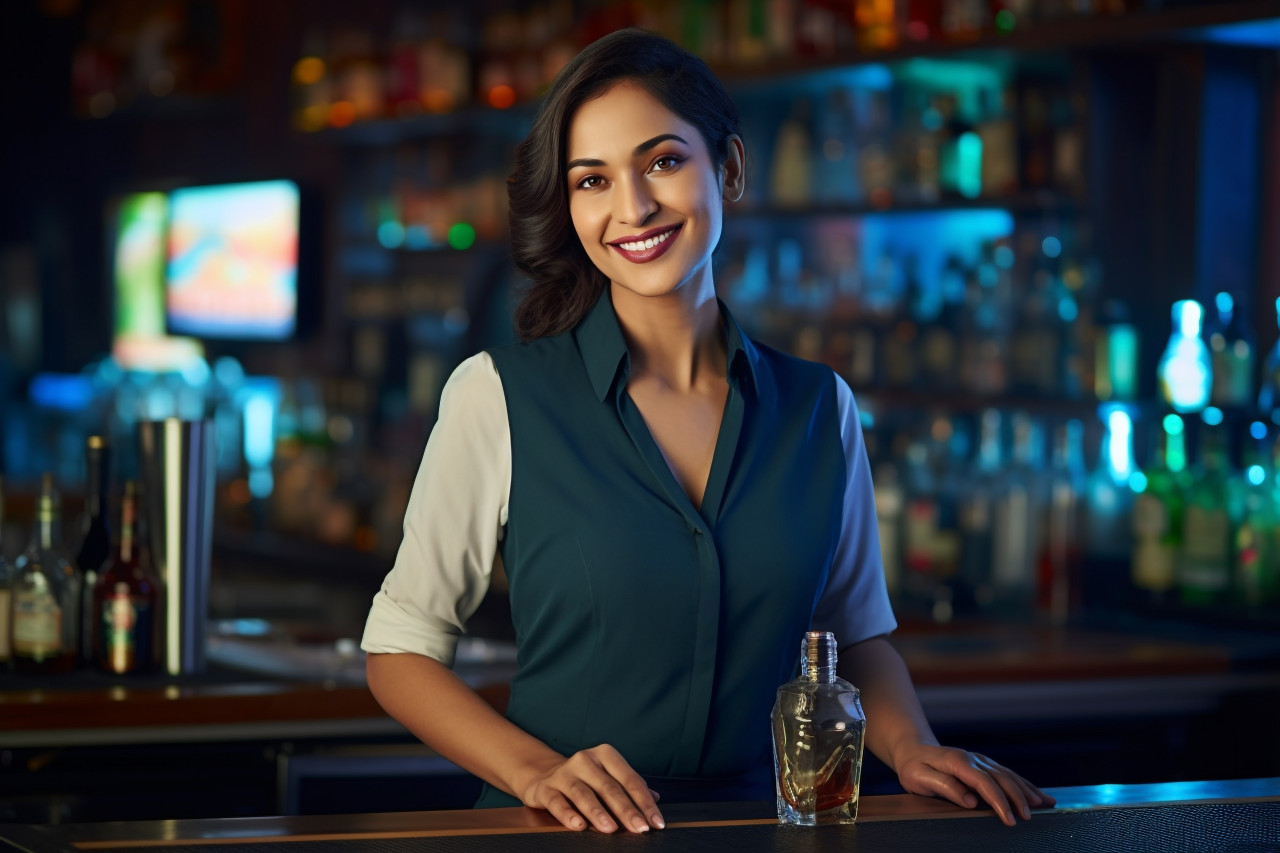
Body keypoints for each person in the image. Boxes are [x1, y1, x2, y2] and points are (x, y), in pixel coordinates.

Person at [361, 27, 1055, 835]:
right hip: (558, 832)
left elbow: (854, 637)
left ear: (729, 169)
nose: (633, 208)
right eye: (593, 180)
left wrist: (914, 748)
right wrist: (537, 771)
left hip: (760, 829)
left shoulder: (819, 407)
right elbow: (400, 650)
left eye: (662, 162)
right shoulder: (498, 396)